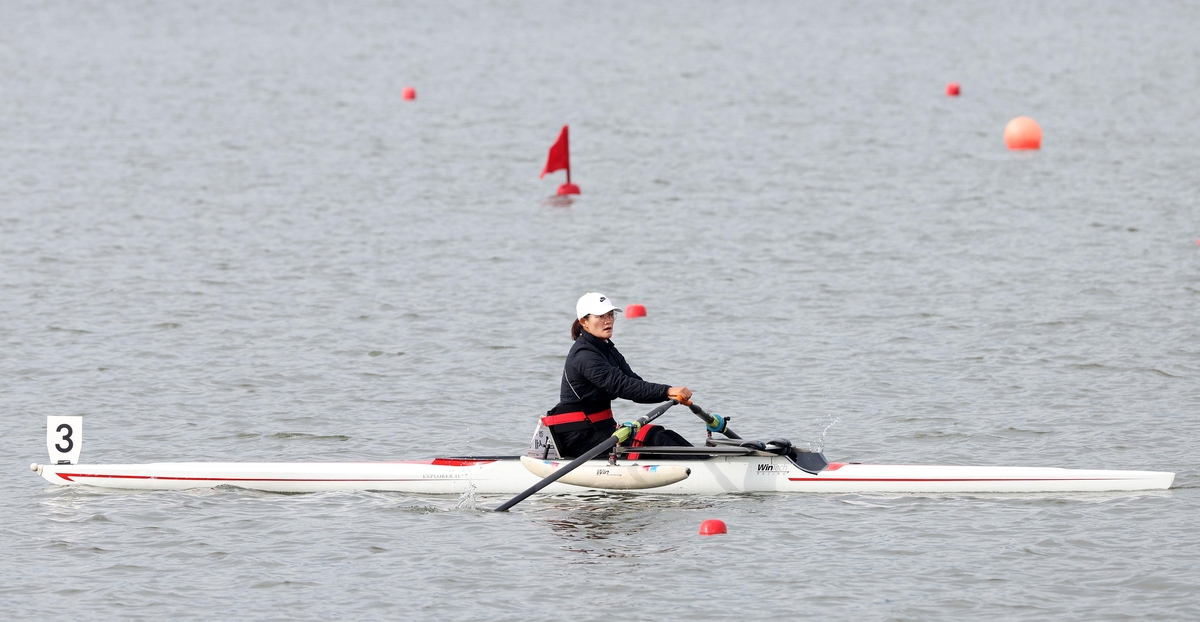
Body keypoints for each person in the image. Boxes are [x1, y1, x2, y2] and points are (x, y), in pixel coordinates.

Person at [540, 292, 696, 459]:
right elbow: (623, 386)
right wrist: (667, 391)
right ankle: (700, 472)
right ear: (583, 322)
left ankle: (706, 461)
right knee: (655, 439)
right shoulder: (584, 356)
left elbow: (635, 384)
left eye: (610, 315)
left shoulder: (607, 349)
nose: (608, 321)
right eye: (600, 316)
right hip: (579, 438)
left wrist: (669, 393)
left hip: (601, 430)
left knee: (665, 435)